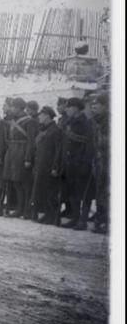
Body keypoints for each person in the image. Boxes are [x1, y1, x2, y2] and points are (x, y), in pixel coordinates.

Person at [59, 97, 94, 230]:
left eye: (69, 106)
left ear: (76, 108)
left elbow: (89, 144)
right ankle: (74, 218)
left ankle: (83, 221)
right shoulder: (70, 122)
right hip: (70, 161)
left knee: (84, 193)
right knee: (72, 191)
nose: (66, 109)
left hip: (81, 162)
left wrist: (86, 162)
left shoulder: (86, 123)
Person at [2, 98, 39, 219]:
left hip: (22, 153)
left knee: (25, 184)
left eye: (13, 107)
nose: (11, 109)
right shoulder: (13, 120)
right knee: (16, 182)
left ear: (18, 108)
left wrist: (28, 158)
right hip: (13, 153)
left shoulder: (30, 122)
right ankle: (19, 208)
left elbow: (31, 141)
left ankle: (26, 210)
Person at [31, 106, 63, 225]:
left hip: (49, 165)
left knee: (50, 191)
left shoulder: (55, 130)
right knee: (43, 190)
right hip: (41, 164)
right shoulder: (44, 129)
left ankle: (53, 216)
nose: (39, 117)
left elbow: (58, 150)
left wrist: (55, 166)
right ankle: (47, 214)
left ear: (47, 116)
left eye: (41, 115)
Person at [90, 93, 109, 233]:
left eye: (97, 105)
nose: (94, 107)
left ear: (105, 106)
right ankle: (101, 220)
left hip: (109, 162)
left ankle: (107, 223)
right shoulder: (97, 121)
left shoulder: (109, 121)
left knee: (107, 192)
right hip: (99, 161)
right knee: (100, 192)